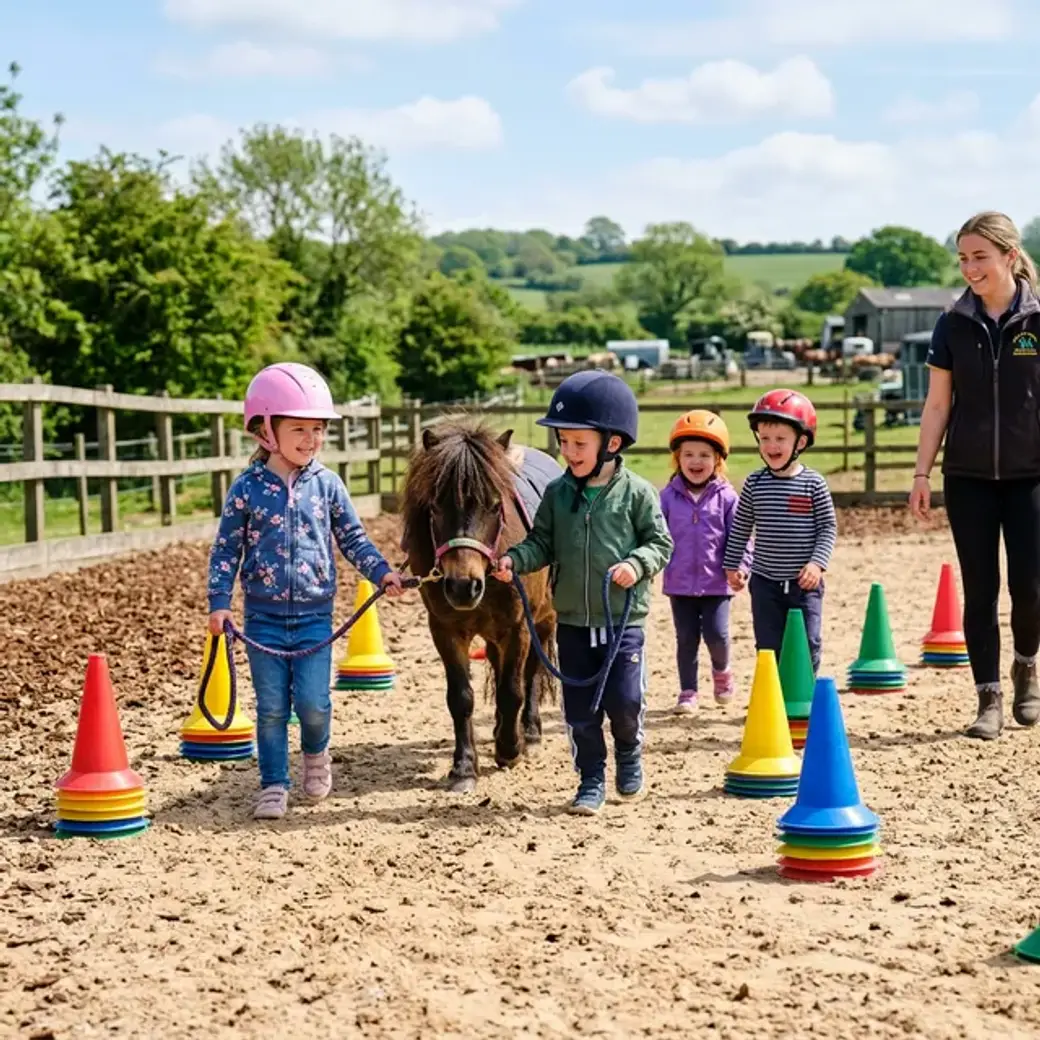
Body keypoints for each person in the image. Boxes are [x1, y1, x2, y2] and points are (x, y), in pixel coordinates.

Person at [207, 362, 405, 819]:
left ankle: (316, 754)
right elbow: (225, 551)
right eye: (299, 429)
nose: (311, 440)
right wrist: (218, 603)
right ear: (265, 429)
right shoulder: (246, 490)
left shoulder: (328, 485)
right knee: (272, 707)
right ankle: (273, 784)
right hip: (263, 619)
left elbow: (352, 537)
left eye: (317, 430)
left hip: (316, 616)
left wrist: (381, 573)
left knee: (314, 704)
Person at [490, 370, 673, 816]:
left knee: (625, 703)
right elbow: (542, 544)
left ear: (612, 443)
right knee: (580, 713)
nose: (567, 452)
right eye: (563, 443)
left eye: (577, 443)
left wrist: (636, 564)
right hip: (571, 620)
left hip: (622, 622)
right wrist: (517, 558)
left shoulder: (638, 494)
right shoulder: (556, 494)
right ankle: (590, 779)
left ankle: (629, 756)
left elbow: (660, 543)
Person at [910, 210, 1040, 740]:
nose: (969, 267)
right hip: (966, 477)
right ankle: (988, 697)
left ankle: (1027, 666)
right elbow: (938, 405)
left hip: (1031, 475)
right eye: (963, 258)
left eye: (979, 257)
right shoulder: (951, 324)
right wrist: (922, 473)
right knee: (980, 589)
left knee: (1030, 588)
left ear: (1009, 256)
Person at [723, 389, 836, 675]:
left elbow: (827, 527)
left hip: (804, 584)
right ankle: (770, 701)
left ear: (801, 441)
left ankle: (803, 698)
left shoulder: (814, 484)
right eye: (765, 439)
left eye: (780, 439)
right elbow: (741, 526)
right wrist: (731, 564)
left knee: (807, 642)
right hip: (765, 583)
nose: (771, 446)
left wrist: (817, 564)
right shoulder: (754, 483)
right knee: (767, 646)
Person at [660, 409, 751, 714]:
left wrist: (741, 565)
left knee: (717, 634)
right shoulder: (667, 498)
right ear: (678, 459)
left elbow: (741, 535)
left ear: (718, 460)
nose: (696, 462)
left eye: (704, 455)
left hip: (717, 583)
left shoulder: (727, 497)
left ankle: (722, 672)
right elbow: (656, 535)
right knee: (686, 638)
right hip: (680, 583)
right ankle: (688, 691)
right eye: (688, 455)